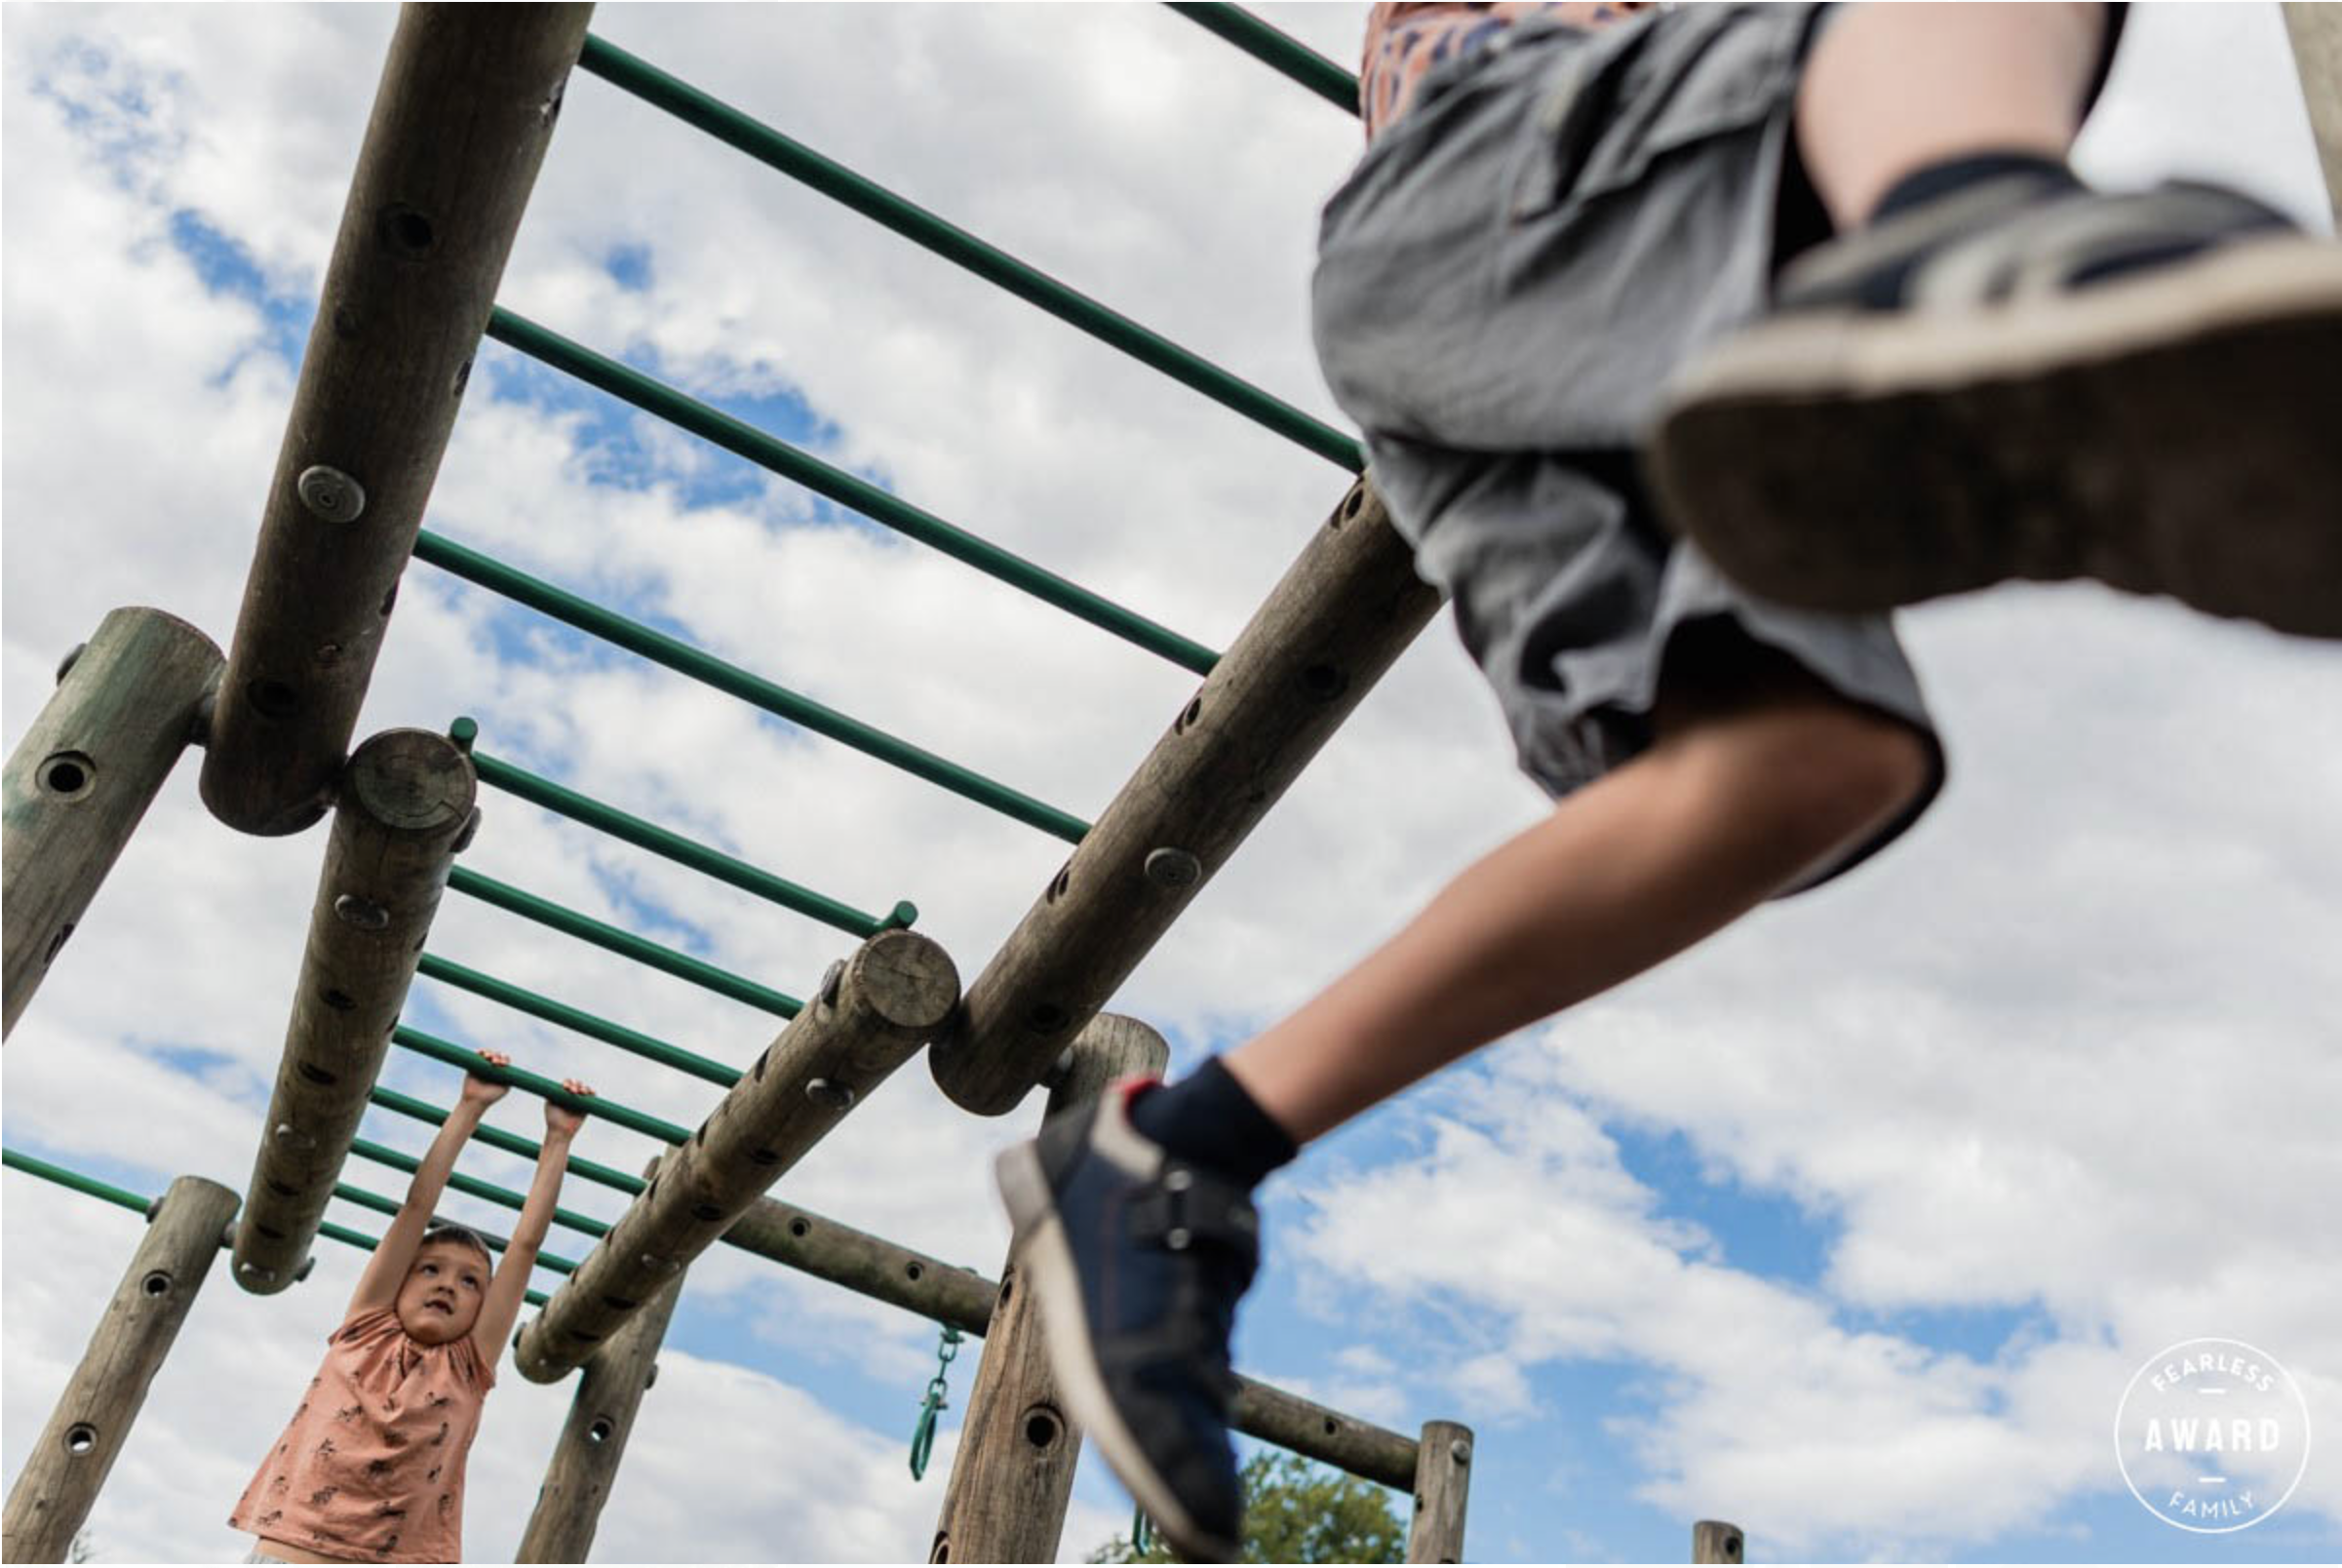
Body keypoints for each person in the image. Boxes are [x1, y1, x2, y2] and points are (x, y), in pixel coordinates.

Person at [995, 3, 2341, 1558]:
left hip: (1529, 306)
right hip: (1541, 174)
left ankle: (1180, 1156)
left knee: (1798, 764)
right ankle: (1966, 229)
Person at [231, 1052, 596, 1565]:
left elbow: (524, 1247)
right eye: (430, 1269)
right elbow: (417, 1207)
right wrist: (469, 1106)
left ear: (483, 1307)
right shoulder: (367, 1328)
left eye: (470, 1281)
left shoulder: (468, 1366)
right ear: (398, 1281)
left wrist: (558, 1140)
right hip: (294, 1547)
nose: (448, 1284)